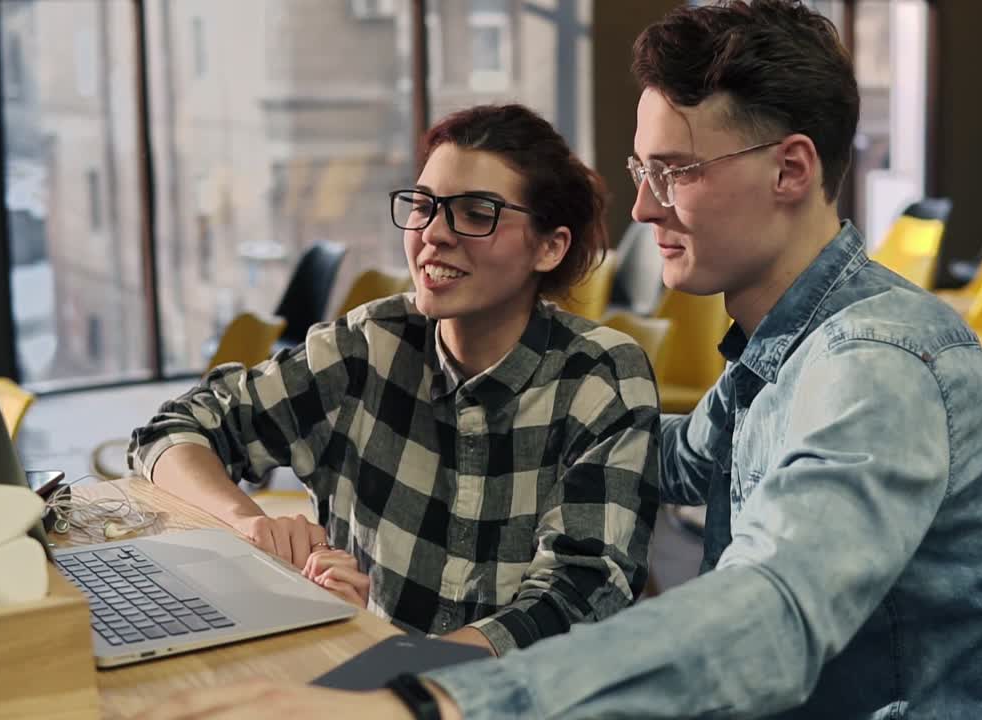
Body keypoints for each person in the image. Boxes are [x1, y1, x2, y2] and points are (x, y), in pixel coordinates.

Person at [139, 1, 982, 718]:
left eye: (674, 172)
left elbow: (773, 615)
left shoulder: (872, 363)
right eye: (641, 173)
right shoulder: (781, 351)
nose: (645, 212)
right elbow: (657, 453)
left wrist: (431, 697)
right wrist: (487, 400)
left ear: (792, 170)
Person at [127, 103, 660, 656]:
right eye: (425, 206)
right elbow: (174, 429)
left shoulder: (600, 375)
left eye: (477, 212)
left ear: (550, 246)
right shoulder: (368, 345)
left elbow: (582, 592)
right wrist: (249, 524)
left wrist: (408, 670)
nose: (433, 234)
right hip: (372, 680)